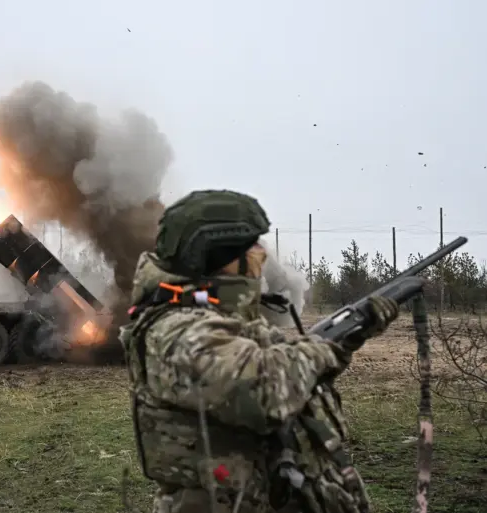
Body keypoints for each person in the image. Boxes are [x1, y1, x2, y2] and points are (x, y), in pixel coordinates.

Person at [119, 190, 399, 513]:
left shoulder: (225, 320)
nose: (261, 255)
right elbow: (264, 390)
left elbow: (295, 374)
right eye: (251, 247)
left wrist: (346, 338)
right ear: (220, 256)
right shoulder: (178, 330)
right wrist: (320, 350)